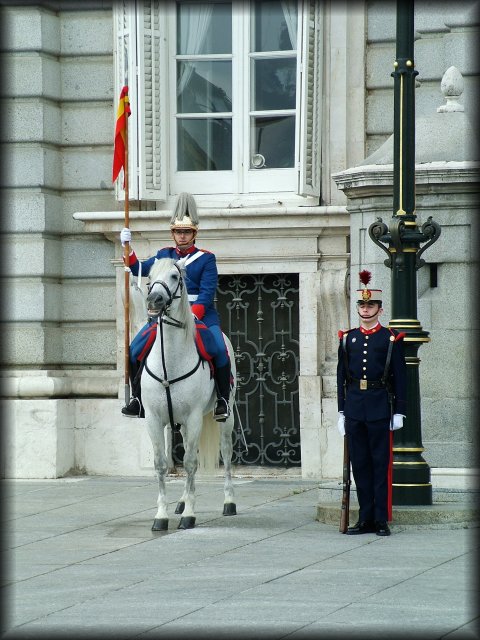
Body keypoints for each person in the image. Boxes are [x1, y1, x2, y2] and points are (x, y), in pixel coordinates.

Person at [120, 192, 232, 422]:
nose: (182, 236)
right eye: (179, 232)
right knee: (133, 351)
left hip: (199, 315)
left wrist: (191, 315)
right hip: (166, 315)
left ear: (194, 233)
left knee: (220, 351)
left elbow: (207, 293)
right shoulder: (164, 255)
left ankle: (222, 399)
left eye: (187, 232)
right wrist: (127, 248)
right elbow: (139, 269)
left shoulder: (206, 259)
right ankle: (138, 399)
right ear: (173, 234)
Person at [336, 270, 407, 537]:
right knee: (360, 465)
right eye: (362, 305)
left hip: (379, 406)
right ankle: (364, 517)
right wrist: (341, 411)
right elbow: (341, 377)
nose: (366, 310)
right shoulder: (347, 338)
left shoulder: (391, 339)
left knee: (380, 464)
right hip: (355, 407)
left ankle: (380, 519)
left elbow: (400, 377)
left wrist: (399, 411)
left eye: (371, 305)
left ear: (380, 308)